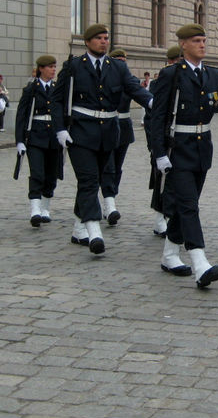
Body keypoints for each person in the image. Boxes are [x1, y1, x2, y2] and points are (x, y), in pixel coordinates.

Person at [149, 23, 218, 286]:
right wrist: (159, 153)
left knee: (183, 204)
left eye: (204, 40)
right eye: (197, 40)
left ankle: (169, 254)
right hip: (177, 147)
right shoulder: (171, 75)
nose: (202, 44)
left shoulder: (211, 73)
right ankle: (200, 262)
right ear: (184, 45)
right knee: (189, 205)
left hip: (202, 147)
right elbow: (158, 118)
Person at [51, 24, 153, 256]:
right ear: (87, 42)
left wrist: (152, 102)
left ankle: (79, 228)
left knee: (95, 179)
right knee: (88, 180)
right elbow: (57, 100)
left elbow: (135, 89)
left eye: (106, 38)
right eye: (98, 38)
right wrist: (60, 129)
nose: (103, 41)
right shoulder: (74, 66)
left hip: (108, 132)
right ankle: (94, 231)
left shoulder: (117, 67)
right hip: (80, 131)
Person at [15, 55, 61, 227]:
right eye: (50, 67)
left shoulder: (57, 88)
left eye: (54, 67)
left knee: (51, 175)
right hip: (35, 136)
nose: (53, 70)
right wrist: (20, 140)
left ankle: (45, 208)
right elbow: (22, 115)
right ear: (41, 69)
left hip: (53, 137)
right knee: (37, 173)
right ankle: (35, 209)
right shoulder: (31, 89)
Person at [99, 47, 140, 226]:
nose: (122, 64)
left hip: (123, 127)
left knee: (117, 167)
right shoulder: (104, 79)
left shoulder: (130, 81)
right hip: (106, 126)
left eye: (124, 61)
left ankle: (111, 198)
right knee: (107, 167)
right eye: (119, 61)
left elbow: (139, 93)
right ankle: (109, 204)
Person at [145, 45, 182, 237]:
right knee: (161, 180)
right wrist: (155, 145)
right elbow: (153, 116)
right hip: (163, 138)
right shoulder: (160, 82)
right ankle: (160, 218)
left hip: (177, 139)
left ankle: (169, 216)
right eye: (178, 62)